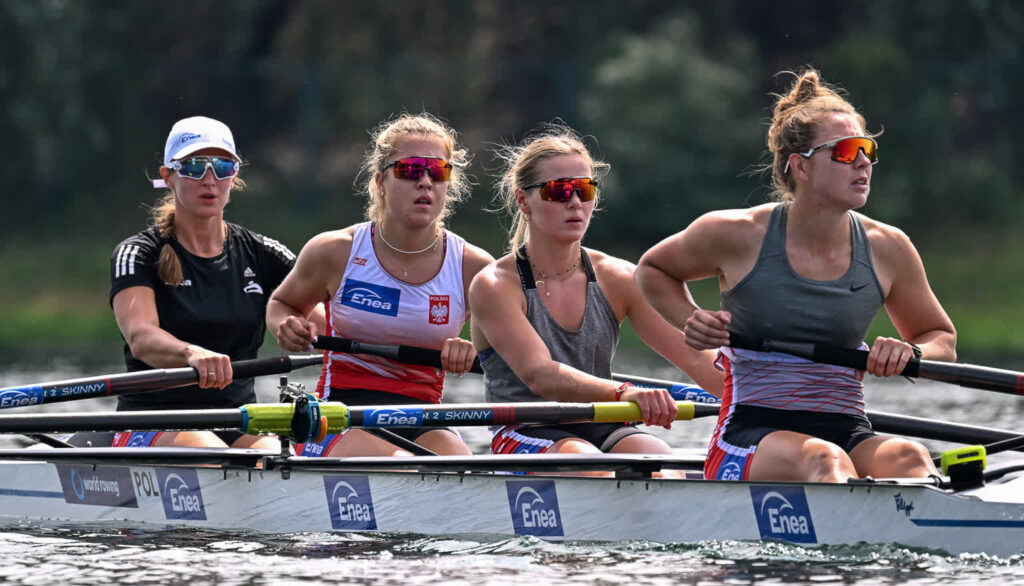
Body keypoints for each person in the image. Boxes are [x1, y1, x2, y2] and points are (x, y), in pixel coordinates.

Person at [635, 69, 957, 483]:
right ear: (799, 168)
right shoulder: (738, 234)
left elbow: (941, 339)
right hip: (751, 430)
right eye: (844, 151)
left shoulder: (888, 247)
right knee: (826, 463)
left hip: (846, 427)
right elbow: (653, 269)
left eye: (867, 150)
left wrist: (912, 353)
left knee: (912, 457)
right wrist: (690, 318)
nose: (862, 162)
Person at [469, 124, 723, 457]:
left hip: (604, 420)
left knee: (661, 460)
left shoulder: (618, 278)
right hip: (527, 427)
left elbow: (695, 357)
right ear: (523, 200)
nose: (574, 201)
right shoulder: (495, 285)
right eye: (558, 191)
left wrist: (768, 404)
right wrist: (625, 392)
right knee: (586, 460)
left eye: (584, 189)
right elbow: (540, 374)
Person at [268, 113, 493, 457]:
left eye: (438, 171)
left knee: (465, 470)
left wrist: (477, 353)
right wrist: (286, 327)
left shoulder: (474, 269)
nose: (425, 182)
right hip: (338, 414)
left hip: (422, 415)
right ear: (380, 181)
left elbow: (511, 357)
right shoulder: (335, 252)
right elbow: (281, 305)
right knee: (402, 465)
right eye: (411, 170)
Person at [109, 116, 296, 449]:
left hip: (236, 420)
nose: (209, 180)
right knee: (209, 449)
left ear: (234, 176)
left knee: (275, 456)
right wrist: (191, 353)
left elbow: (324, 312)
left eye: (222, 167)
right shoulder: (137, 253)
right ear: (168, 176)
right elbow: (141, 338)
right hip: (153, 420)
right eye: (195, 167)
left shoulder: (262, 252)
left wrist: (308, 328)